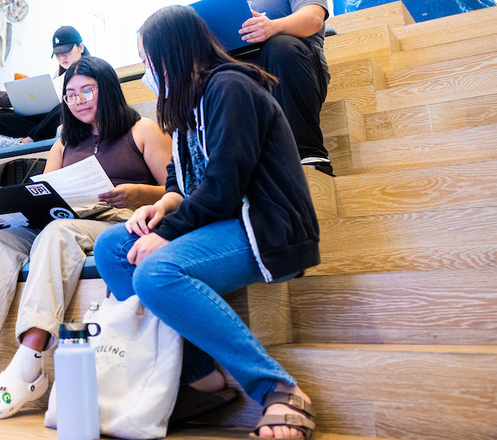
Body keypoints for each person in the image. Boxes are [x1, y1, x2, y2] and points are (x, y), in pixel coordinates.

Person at [93, 6, 319, 439]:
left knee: (156, 273)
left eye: (148, 60)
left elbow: (224, 186)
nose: (146, 71)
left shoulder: (230, 87)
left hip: (265, 226)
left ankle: (278, 389)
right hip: (218, 223)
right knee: (111, 248)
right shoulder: (186, 105)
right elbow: (180, 180)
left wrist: (166, 234)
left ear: (173, 54)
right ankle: (199, 379)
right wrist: (162, 207)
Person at [0, 56, 172, 420]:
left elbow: (176, 191)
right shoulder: (65, 141)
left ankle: (28, 366)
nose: (78, 101)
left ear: (108, 89)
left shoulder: (143, 130)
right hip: (64, 218)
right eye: (71, 95)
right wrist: (3, 213)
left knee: (57, 233)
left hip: (118, 220)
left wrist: (138, 193)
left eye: (87, 91)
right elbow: (43, 195)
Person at [232, 0, 333, 175]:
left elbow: (314, 18)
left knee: (280, 45)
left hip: (295, 65)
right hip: (251, 75)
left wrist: (273, 27)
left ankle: (306, 154)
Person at [0, 26, 91, 149]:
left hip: (66, 117)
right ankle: (43, 135)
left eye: (66, 51)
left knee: (64, 107)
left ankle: (28, 140)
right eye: (57, 53)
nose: (62, 57)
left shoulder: (92, 73)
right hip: (47, 122)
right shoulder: (56, 80)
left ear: (81, 47)